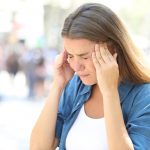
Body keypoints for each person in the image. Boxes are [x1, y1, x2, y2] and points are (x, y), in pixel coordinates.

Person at [30, 3, 150, 150]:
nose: (76, 67)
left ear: (114, 48)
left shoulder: (144, 96)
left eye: (85, 57)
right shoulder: (76, 87)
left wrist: (109, 92)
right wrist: (58, 85)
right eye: (71, 56)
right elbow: (38, 147)